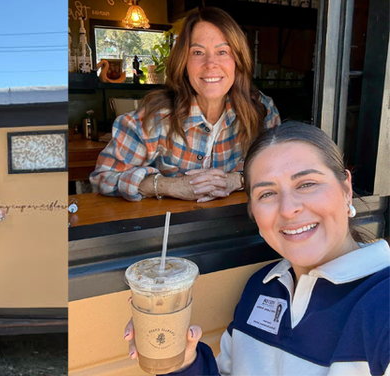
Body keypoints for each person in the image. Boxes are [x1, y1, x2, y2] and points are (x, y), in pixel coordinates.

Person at [123, 123, 389, 375]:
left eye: (307, 184)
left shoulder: (382, 302)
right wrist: (183, 362)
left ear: (346, 189)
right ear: (253, 211)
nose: (288, 209)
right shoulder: (262, 286)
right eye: (267, 194)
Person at [90, 7, 282, 202]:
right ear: (184, 62)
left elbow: (280, 169)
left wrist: (237, 180)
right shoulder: (154, 119)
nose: (210, 64)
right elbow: (103, 177)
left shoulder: (262, 111)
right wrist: (168, 186)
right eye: (198, 52)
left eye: (222, 51)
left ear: (238, 61)